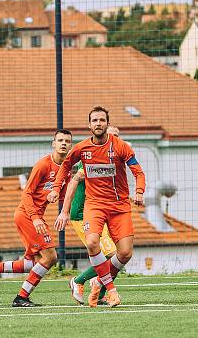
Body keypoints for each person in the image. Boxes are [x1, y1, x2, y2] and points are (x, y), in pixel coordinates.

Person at [49, 107, 145, 308]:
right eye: (95, 120)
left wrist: (140, 191)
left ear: (107, 124)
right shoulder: (83, 149)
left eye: (102, 120)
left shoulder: (121, 147)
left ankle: (97, 281)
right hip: (94, 205)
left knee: (125, 253)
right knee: (93, 243)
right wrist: (57, 191)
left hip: (119, 206)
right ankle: (110, 291)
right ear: (89, 125)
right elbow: (66, 168)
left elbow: (138, 172)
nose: (98, 123)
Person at [0, 130, 73, 307]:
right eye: (60, 140)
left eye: (67, 141)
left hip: (35, 216)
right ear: (53, 144)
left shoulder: (67, 169)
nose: (63, 143)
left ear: (70, 146)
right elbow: (27, 194)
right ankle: (21, 297)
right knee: (50, 257)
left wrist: (66, 212)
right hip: (27, 215)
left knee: (29, 263)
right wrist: (35, 218)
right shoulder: (43, 165)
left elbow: (63, 196)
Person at [54, 126, 121, 306]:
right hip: (83, 214)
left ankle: (99, 294)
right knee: (110, 254)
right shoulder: (92, 159)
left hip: (103, 212)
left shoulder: (114, 160)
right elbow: (74, 182)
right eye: (112, 136)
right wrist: (65, 211)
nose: (114, 140)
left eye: (117, 137)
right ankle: (79, 280)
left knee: (120, 254)